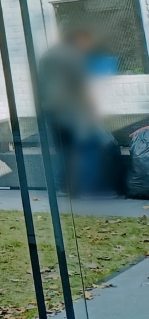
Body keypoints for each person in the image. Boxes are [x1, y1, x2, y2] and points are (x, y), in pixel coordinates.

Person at [38, 25, 120, 197]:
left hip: (51, 111)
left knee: (64, 149)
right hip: (70, 110)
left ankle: (64, 187)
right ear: (79, 39)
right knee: (89, 147)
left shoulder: (49, 56)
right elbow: (81, 87)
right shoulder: (73, 56)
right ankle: (92, 189)